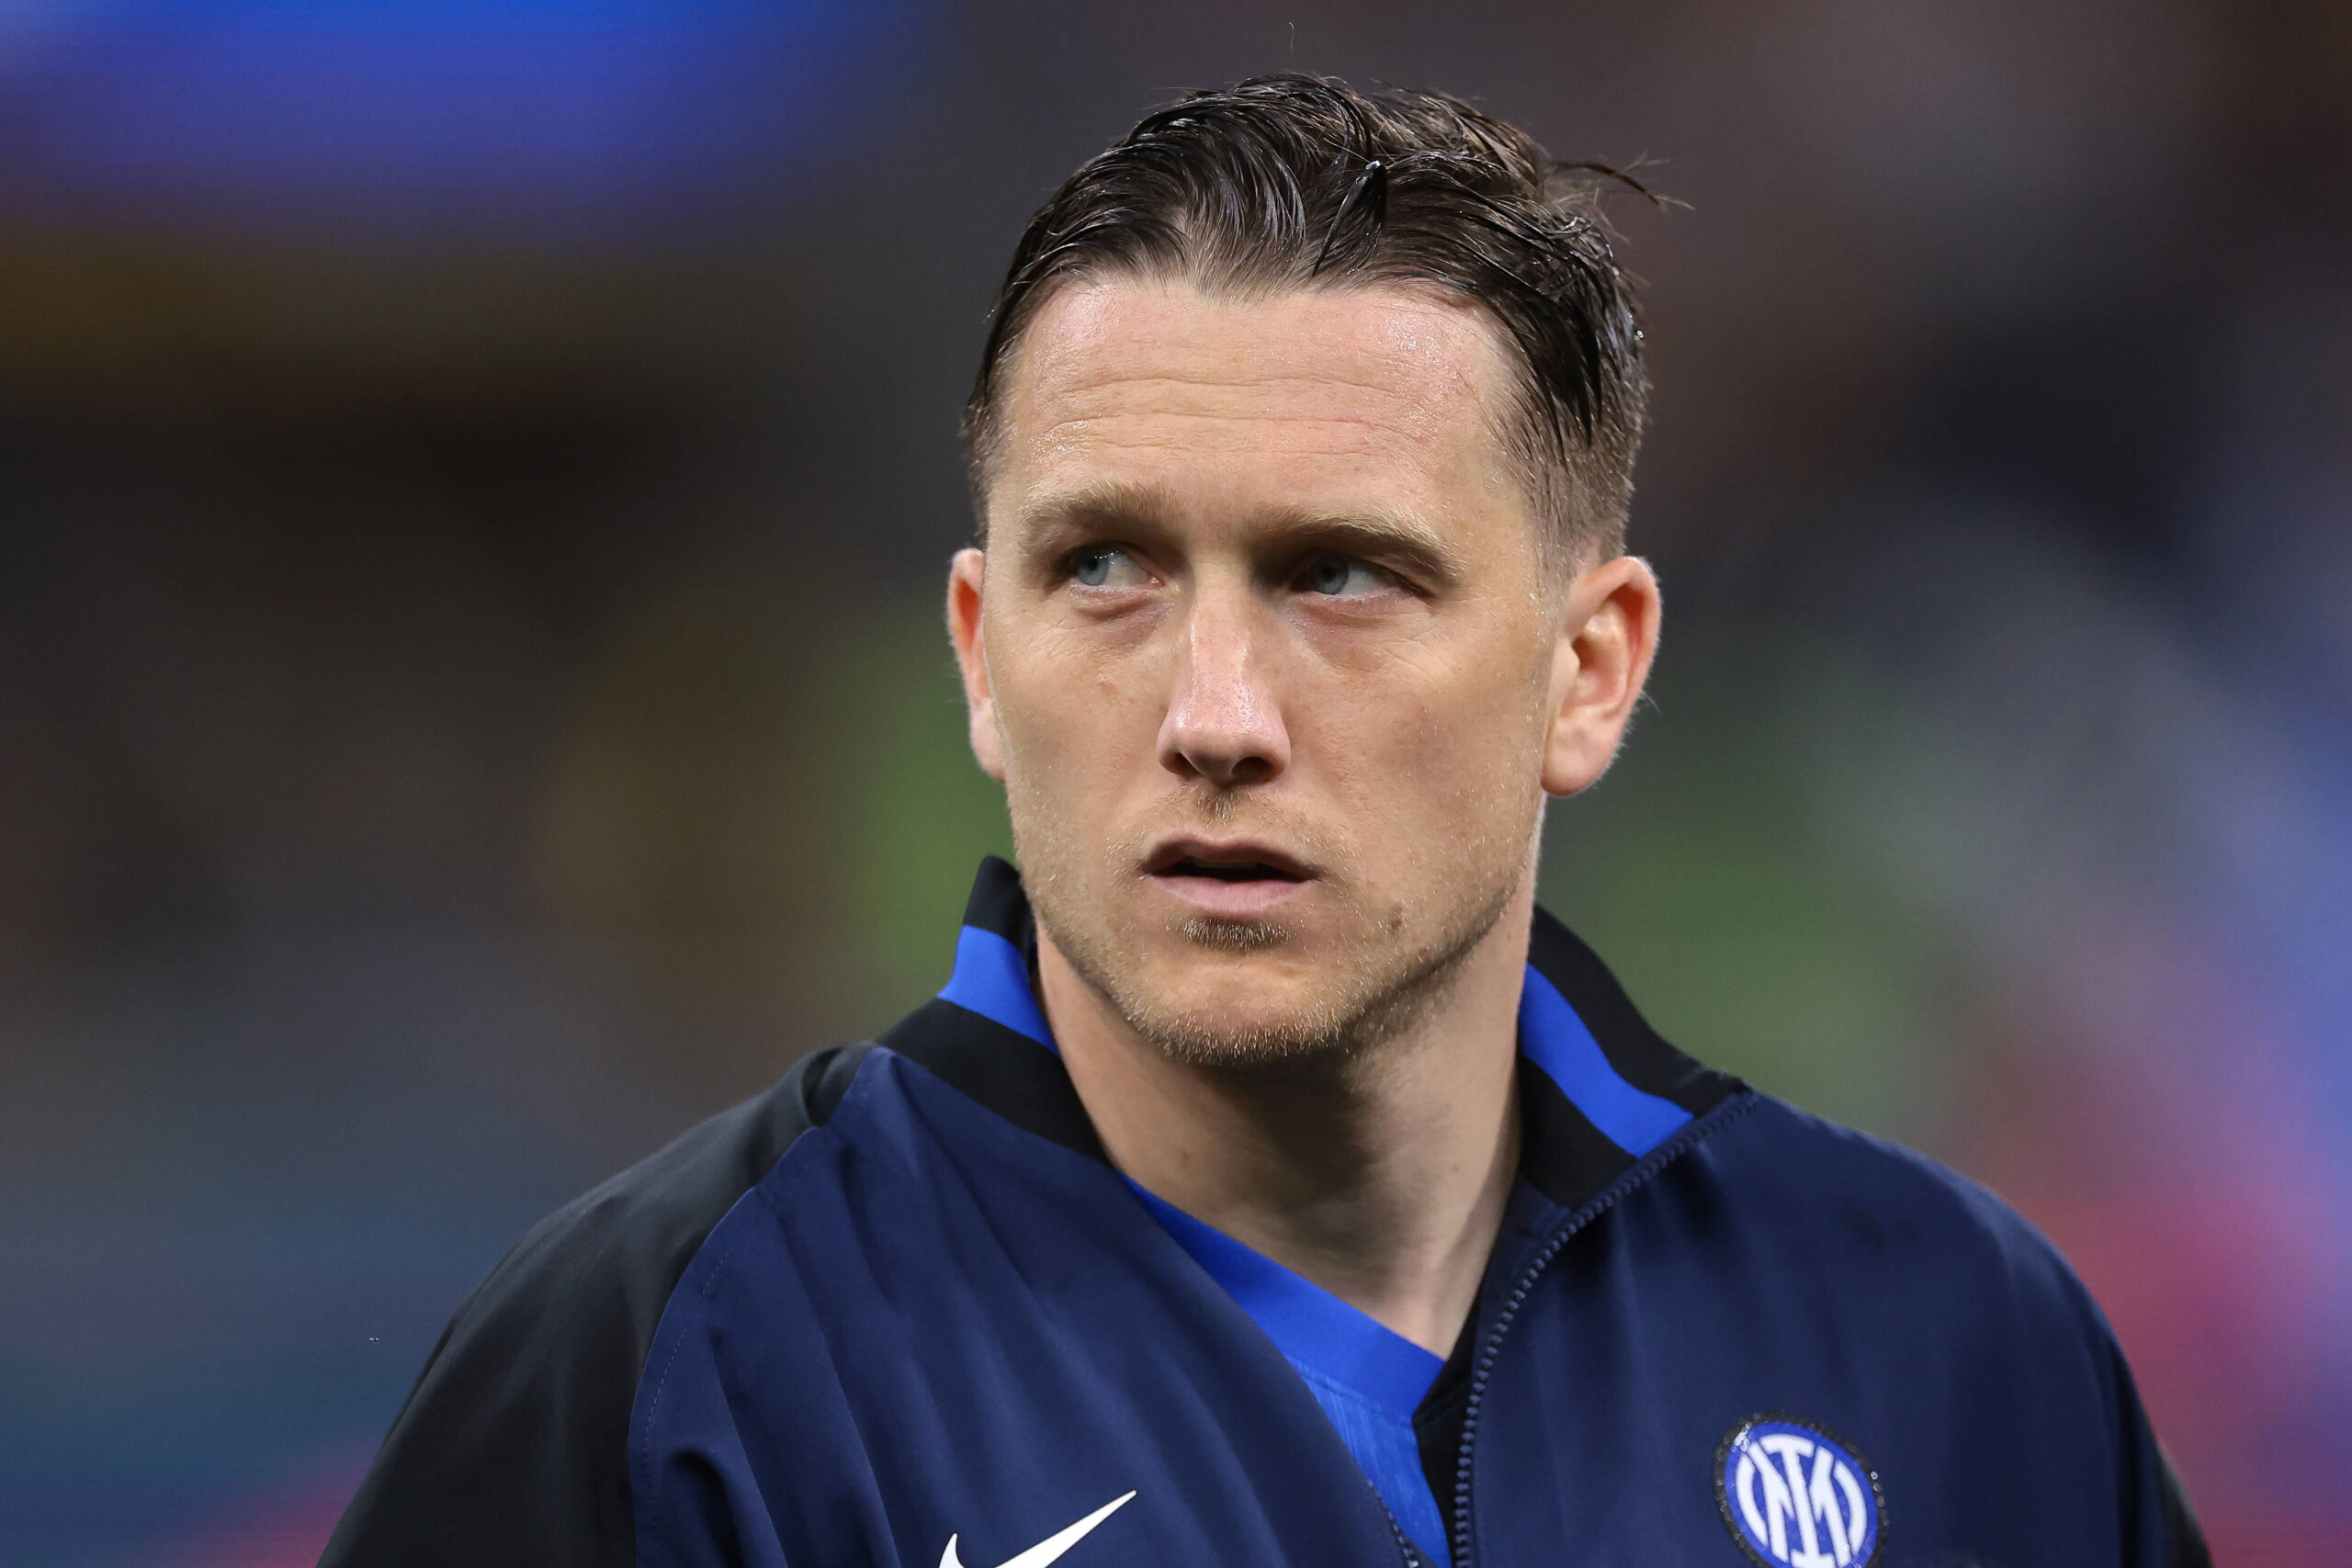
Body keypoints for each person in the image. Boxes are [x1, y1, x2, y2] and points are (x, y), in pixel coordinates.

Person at [322, 76, 2208, 1568]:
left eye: (1341, 577)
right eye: (1108, 568)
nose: (1215, 716)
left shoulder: (1953, 1339)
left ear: (1588, 667)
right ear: (981, 652)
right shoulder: (656, 1364)